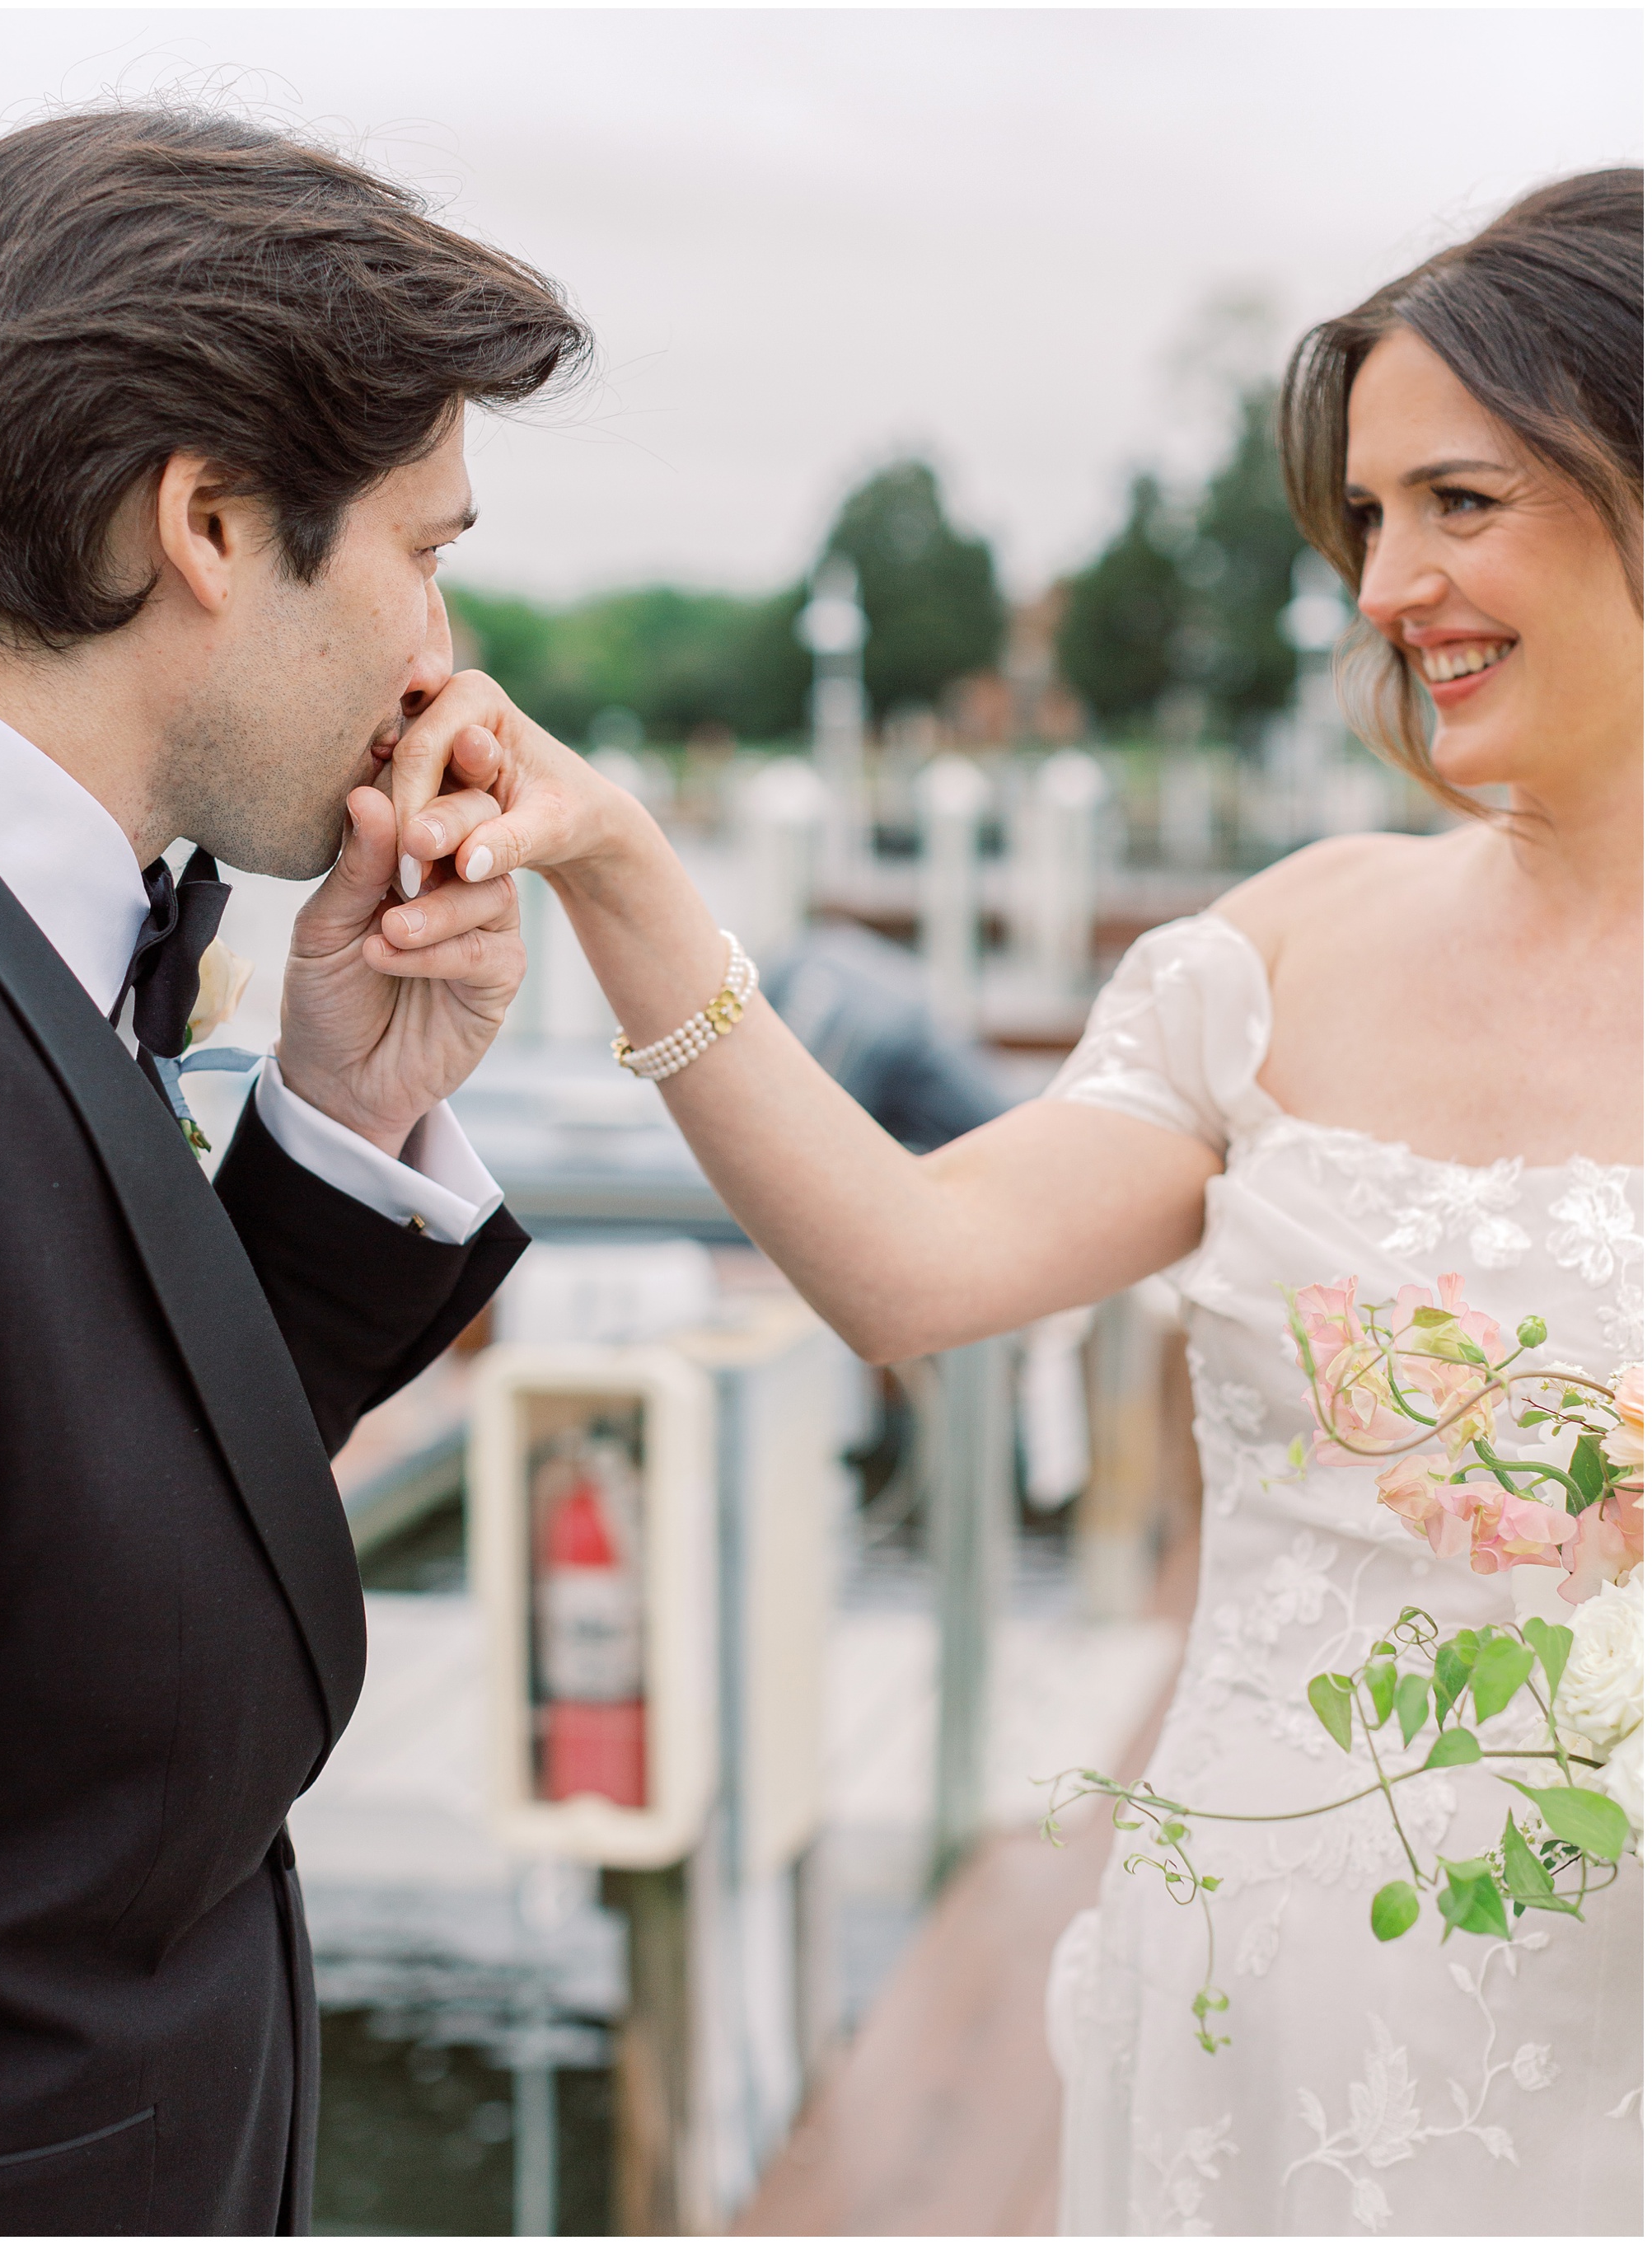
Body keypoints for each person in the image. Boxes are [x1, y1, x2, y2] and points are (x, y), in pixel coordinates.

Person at [379, 171, 1642, 2233]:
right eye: (1368, 521)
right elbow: (909, 1268)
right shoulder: (1284, 953)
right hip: (1266, 2020)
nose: (1389, 584)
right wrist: (615, 869)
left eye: (1462, 503)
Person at [0, 107, 587, 2236]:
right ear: (211, 521)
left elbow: (83, 1620)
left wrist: (331, 1118)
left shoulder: (50, 942)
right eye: (425, 547)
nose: (440, 656)